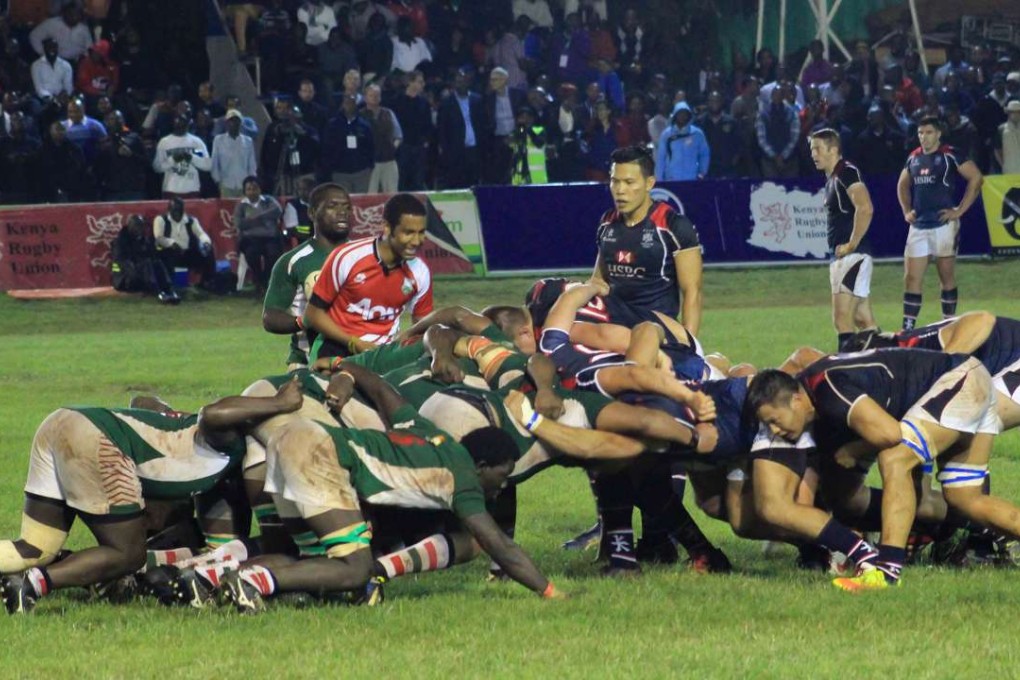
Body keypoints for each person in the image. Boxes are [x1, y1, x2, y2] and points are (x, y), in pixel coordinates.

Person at [217, 362, 563, 612]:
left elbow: (383, 391)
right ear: (482, 466)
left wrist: (343, 367)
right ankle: (253, 582)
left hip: (290, 438)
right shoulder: (465, 481)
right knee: (355, 570)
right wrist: (548, 590)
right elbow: (500, 545)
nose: (501, 488)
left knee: (311, 558)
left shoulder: (429, 432)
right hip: (320, 454)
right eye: (501, 477)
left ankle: (216, 578)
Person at [0, 380, 304, 614]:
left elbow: (142, 400)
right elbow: (213, 413)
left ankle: (51, 570)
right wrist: (279, 402)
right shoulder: (229, 441)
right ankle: (32, 584)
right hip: (98, 437)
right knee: (126, 553)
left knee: (35, 548)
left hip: (62, 421)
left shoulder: (192, 435)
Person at [748, 348, 1015, 592]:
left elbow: (889, 434)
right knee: (965, 499)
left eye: (773, 420)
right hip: (970, 379)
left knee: (895, 460)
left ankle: (886, 570)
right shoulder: (819, 391)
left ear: (796, 400)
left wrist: (854, 450)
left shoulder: (827, 387)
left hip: (960, 381)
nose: (774, 430)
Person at [305, 193, 433, 360]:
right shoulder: (347, 257)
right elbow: (313, 315)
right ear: (387, 227)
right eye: (408, 233)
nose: (416, 241)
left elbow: (421, 325)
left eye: (421, 232)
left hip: (383, 355)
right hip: (336, 348)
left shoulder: (420, 272)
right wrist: (354, 342)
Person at [590, 145, 702, 333]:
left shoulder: (673, 225)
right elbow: (598, 281)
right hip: (614, 330)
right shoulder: (606, 223)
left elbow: (693, 291)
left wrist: (688, 345)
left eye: (629, 182)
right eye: (614, 181)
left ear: (649, 183)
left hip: (657, 332)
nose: (620, 190)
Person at [897, 116, 984, 330]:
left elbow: (976, 177)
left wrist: (959, 210)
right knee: (911, 278)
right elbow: (902, 185)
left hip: (944, 225)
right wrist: (906, 210)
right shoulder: (913, 158)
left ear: (938, 134)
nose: (923, 137)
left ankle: (948, 323)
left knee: (946, 276)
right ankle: (908, 328)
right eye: (920, 133)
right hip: (918, 226)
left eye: (928, 132)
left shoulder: (949, 155)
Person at [263, 183, 353, 368]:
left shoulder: (364, 256)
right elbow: (270, 317)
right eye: (332, 206)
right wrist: (304, 321)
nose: (342, 212)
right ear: (312, 213)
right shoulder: (294, 261)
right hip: (307, 363)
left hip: (359, 361)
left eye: (346, 207)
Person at [808, 128, 877, 351]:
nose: (813, 154)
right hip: (844, 258)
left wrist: (852, 244)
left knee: (841, 319)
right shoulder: (831, 179)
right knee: (863, 320)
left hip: (852, 256)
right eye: (812, 149)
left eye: (818, 149)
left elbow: (865, 208)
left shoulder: (846, 172)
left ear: (833, 149)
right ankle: (888, 364)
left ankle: (846, 374)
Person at [110, 214, 179, 304]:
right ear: (130, 226)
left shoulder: (144, 240)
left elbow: (152, 255)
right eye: (137, 226)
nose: (140, 229)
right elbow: (123, 262)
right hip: (124, 279)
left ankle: (170, 291)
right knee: (146, 264)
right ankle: (159, 294)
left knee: (157, 263)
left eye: (141, 226)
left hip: (142, 275)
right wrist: (137, 271)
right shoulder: (120, 242)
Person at [234, 176, 285, 296]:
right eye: (249, 189)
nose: (252, 192)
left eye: (255, 188)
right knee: (251, 254)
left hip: (270, 237)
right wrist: (265, 219)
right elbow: (240, 224)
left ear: (260, 189)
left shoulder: (269, 200)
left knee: (273, 254)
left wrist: (255, 217)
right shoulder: (241, 205)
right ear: (245, 191)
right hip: (250, 238)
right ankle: (260, 281)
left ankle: (264, 281)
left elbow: (277, 211)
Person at [153, 197, 217, 291]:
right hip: (170, 252)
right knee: (161, 253)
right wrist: (172, 243)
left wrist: (206, 242)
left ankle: (206, 282)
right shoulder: (161, 220)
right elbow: (158, 238)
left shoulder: (191, 221)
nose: (177, 213)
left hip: (188, 253)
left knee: (209, 251)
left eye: (180, 210)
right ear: (169, 210)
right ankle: (167, 286)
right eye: (175, 210)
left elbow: (201, 233)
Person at [437, 68, 485, 189]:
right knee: (457, 184)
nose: (461, 84)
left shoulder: (477, 100)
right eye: (458, 81)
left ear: (468, 82)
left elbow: (483, 124)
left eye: (464, 81)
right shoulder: (446, 103)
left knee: (474, 184)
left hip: (474, 149)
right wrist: (446, 150)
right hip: (456, 151)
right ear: (453, 84)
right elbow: (442, 129)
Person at [320, 94, 374, 194]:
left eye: (352, 103)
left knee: (361, 200)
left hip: (361, 172)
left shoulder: (364, 125)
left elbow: (370, 147)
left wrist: (368, 166)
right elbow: (327, 148)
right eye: (347, 102)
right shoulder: (333, 125)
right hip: (340, 172)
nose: (349, 105)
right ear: (342, 104)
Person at [153, 113, 213, 199]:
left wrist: (191, 157)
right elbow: (157, 167)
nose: (179, 124)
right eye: (177, 121)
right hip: (171, 189)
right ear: (173, 123)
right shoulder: (164, 142)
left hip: (192, 189)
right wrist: (173, 160)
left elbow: (207, 165)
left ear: (188, 123)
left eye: (182, 122)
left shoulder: (195, 142)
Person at [95, 110, 149, 201]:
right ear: (107, 122)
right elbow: (99, 168)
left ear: (123, 121)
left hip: (133, 189)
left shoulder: (134, 138)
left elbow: (146, 162)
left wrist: (131, 154)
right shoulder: (103, 143)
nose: (116, 121)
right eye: (112, 119)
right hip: (112, 191)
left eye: (118, 118)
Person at [391, 70, 431, 191]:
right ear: (410, 82)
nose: (423, 84)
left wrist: (426, 141)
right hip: (403, 147)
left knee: (418, 181)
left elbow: (427, 124)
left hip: (419, 147)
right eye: (420, 82)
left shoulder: (424, 102)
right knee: (401, 180)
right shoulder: (397, 101)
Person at [362, 83, 402, 194]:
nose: (374, 98)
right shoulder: (360, 115)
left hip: (389, 160)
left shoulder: (388, 113)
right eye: (371, 95)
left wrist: (392, 147)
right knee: (371, 194)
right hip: (369, 164)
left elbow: (398, 135)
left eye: (377, 95)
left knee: (392, 193)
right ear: (365, 97)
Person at [211, 109, 257, 198]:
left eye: (237, 120)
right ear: (227, 123)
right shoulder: (218, 140)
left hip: (244, 185)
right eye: (231, 121)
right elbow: (215, 163)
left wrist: (252, 181)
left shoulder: (248, 141)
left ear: (241, 123)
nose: (234, 123)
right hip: (226, 185)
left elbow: (251, 164)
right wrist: (218, 181)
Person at [756, 85, 800, 178]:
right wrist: (774, 156)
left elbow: (794, 137)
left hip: (790, 160)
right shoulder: (763, 114)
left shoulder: (792, 113)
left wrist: (783, 155)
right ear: (771, 96)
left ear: (783, 96)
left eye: (780, 94)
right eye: (775, 94)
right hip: (769, 161)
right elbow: (761, 139)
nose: (777, 96)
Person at [697, 91, 741, 178]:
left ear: (721, 102)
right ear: (707, 103)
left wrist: (734, 160)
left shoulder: (731, 122)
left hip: (727, 168)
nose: (714, 103)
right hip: (706, 168)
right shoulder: (700, 122)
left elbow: (739, 144)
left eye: (717, 100)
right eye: (712, 101)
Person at [61, 96, 106, 164]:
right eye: (70, 112)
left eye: (77, 111)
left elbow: (106, 144)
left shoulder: (96, 126)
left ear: (83, 110)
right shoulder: (61, 127)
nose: (74, 114)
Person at [281, 176, 315, 244]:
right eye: (300, 189)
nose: (302, 192)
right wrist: (311, 230)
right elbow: (292, 229)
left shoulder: (319, 204)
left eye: (306, 189)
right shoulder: (293, 205)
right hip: (302, 240)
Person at [994, 100, 1020, 175]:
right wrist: (1004, 165)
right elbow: (997, 150)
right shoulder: (1001, 129)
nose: (1015, 114)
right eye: (1012, 112)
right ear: (1008, 113)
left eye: (1017, 112)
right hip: (1009, 170)